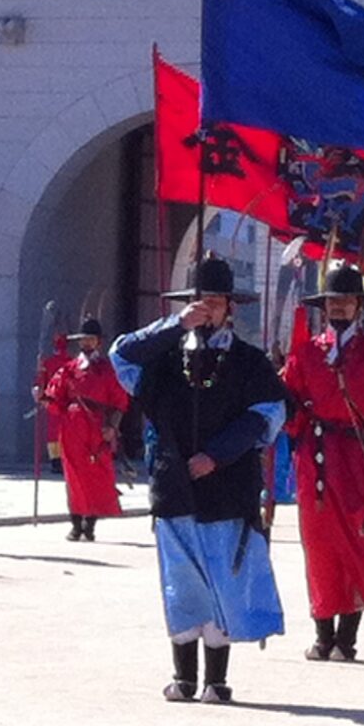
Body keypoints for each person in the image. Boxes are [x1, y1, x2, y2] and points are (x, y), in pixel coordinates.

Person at [109, 255, 286, 703]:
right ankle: (183, 677)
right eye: (199, 302)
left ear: (231, 306)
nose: (208, 309)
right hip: (174, 489)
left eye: (216, 301)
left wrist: (217, 455)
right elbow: (121, 355)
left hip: (227, 488)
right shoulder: (165, 359)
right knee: (182, 584)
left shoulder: (250, 362)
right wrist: (172, 326)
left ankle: (217, 680)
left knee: (222, 581)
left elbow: (266, 415)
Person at [281, 267, 364, 663]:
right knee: (319, 545)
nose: (339, 307)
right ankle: (322, 635)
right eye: (333, 301)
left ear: (359, 307)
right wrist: (277, 387)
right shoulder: (303, 352)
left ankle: (346, 638)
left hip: (357, 459)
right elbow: (291, 411)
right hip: (314, 462)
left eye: (346, 301)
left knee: (359, 539)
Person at [39, 315, 129, 542]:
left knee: (96, 474)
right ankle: (76, 524)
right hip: (71, 429)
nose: (87, 344)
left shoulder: (108, 370)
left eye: (91, 339)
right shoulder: (68, 369)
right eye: (84, 340)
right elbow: (55, 398)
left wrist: (112, 427)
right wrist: (43, 396)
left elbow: (119, 402)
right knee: (73, 476)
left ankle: (90, 523)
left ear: (99, 342)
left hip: (98, 427)